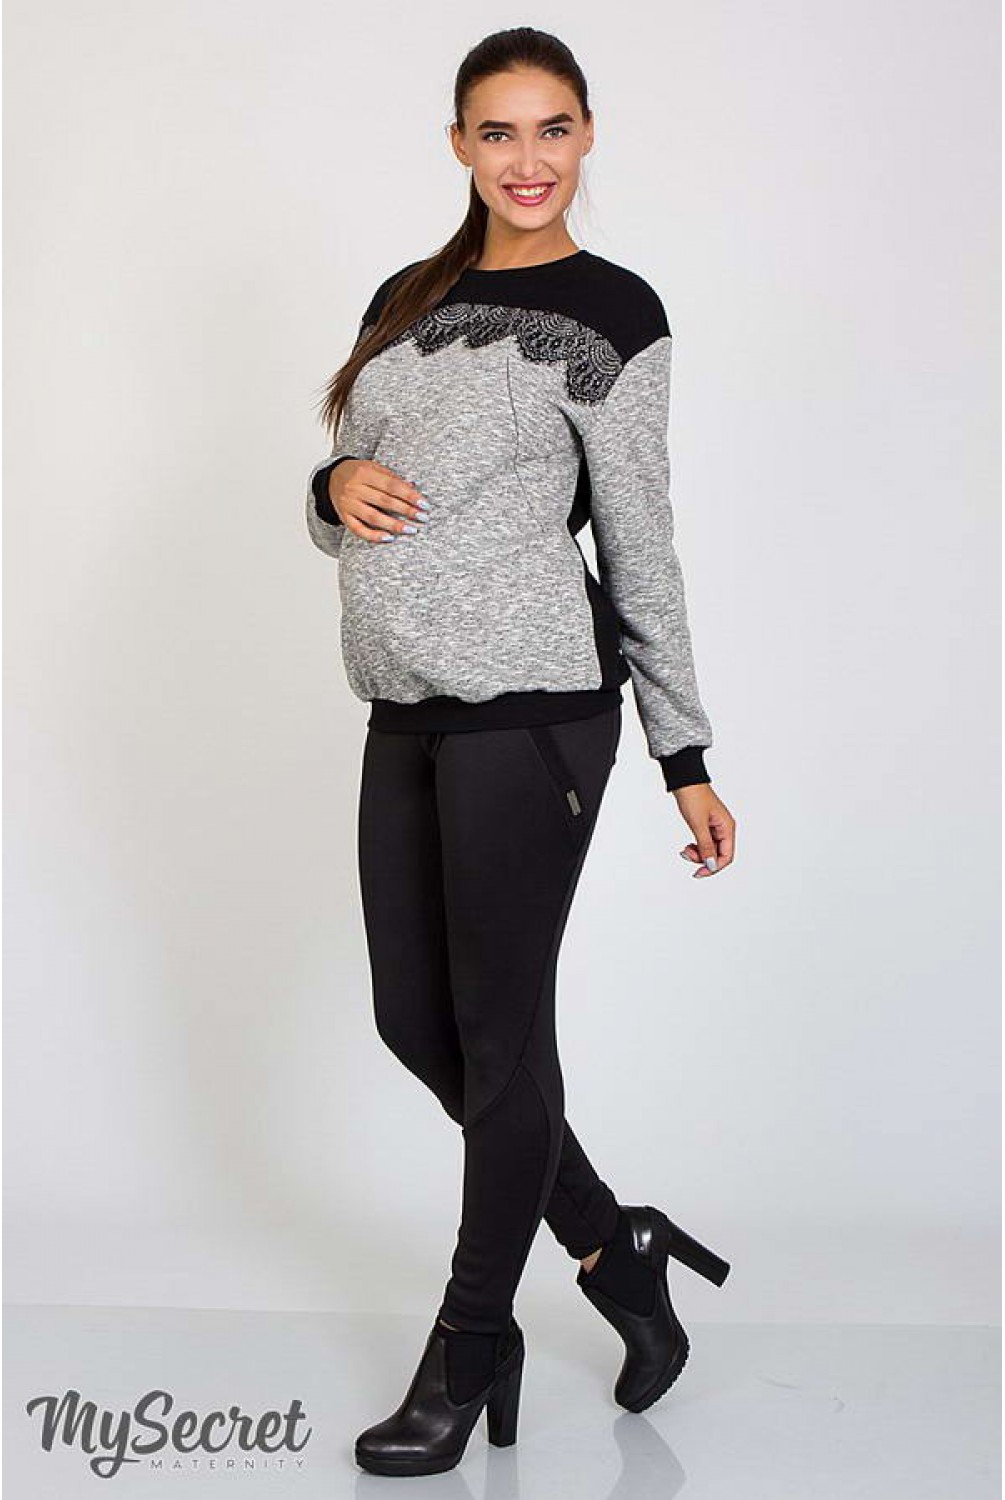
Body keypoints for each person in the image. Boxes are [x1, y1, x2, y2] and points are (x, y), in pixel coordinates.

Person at [305, 25, 737, 1479]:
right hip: (403, 703)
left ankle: (470, 1337)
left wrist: (683, 749)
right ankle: (616, 1249)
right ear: (459, 147)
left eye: (552, 128)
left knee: (501, 1041)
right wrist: (329, 483)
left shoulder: (613, 311)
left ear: (587, 135)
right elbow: (357, 501)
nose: (528, 159)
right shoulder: (405, 298)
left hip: (536, 709)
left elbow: (640, 538)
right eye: (498, 132)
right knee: (414, 1023)